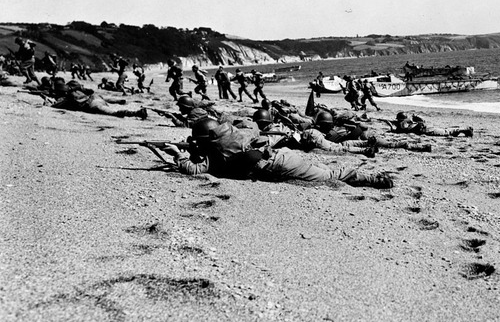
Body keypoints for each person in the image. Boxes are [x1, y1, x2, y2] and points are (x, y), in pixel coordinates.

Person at [158, 118, 393, 188]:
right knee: (325, 171)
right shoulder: (232, 135)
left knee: (330, 176)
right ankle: (370, 174)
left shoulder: (216, 154)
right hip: (282, 156)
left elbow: (192, 169)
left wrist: (176, 154)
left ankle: (373, 179)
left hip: (279, 164)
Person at [40, 78, 148, 119]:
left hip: (91, 104)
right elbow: (90, 91)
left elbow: (53, 105)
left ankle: (136, 113)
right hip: (95, 98)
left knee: (113, 113)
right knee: (105, 101)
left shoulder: (66, 98)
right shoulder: (75, 87)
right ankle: (120, 102)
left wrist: (46, 99)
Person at [383, 112, 473, 137]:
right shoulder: (406, 122)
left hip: (425, 130)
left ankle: (466, 129)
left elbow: (398, 131)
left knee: (446, 132)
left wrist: (390, 125)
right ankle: (463, 129)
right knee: (445, 130)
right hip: (425, 128)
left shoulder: (404, 124)